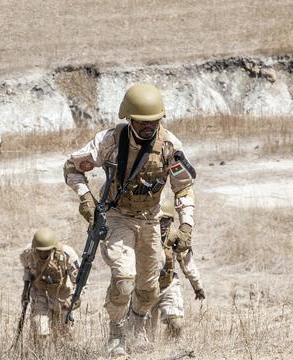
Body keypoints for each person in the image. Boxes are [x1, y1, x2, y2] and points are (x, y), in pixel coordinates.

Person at [63, 83, 197, 356]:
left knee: (149, 290)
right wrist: (86, 198)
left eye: (154, 122)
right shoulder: (109, 142)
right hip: (117, 217)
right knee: (124, 278)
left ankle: (137, 326)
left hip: (150, 219)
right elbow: (71, 167)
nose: (148, 127)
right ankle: (116, 334)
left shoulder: (170, 146)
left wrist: (185, 225)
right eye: (142, 122)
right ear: (130, 118)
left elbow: (183, 187)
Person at [147, 199, 205, 341]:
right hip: (146, 287)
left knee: (177, 324)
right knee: (146, 333)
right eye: (160, 220)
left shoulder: (175, 238)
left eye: (167, 220)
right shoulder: (143, 237)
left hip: (168, 284)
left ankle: (169, 348)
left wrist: (197, 287)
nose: (164, 224)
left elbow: (187, 264)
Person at [19, 228, 81, 346]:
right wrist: (25, 290)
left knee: (65, 335)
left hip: (62, 295)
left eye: (46, 251)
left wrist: (74, 298)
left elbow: (81, 280)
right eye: (39, 251)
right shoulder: (27, 254)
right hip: (40, 293)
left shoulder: (67, 254)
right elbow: (27, 270)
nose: (42, 254)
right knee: (39, 330)